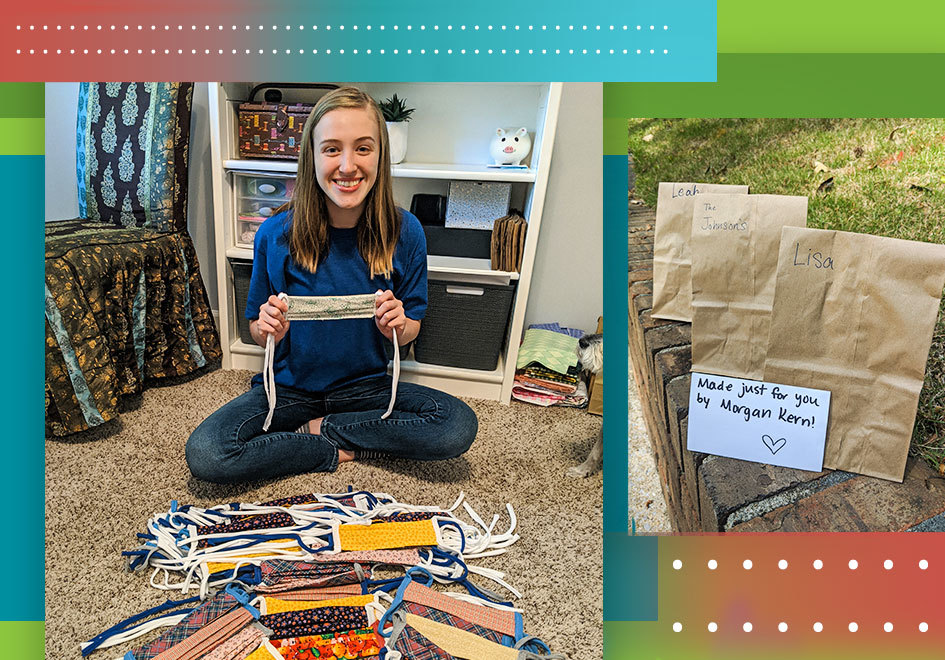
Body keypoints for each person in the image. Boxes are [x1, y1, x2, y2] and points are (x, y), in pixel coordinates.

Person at [186, 87, 478, 484]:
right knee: (209, 452)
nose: (347, 165)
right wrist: (268, 326)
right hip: (288, 391)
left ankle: (320, 431)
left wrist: (397, 325)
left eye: (363, 148)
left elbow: (411, 331)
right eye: (331, 149)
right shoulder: (274, 234)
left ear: (380, 156)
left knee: (456, 424)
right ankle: (339, 445)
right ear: (311, 157)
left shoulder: (405, 231)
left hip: (368, 390)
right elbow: (255, 329)